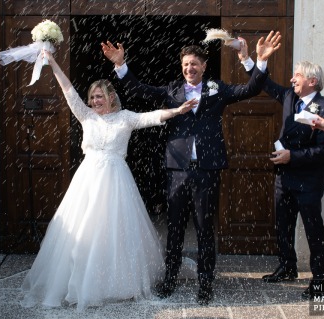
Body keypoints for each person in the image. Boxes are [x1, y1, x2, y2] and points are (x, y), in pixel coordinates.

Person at [101, 31, 282, 304]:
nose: (189, 68)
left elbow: (251, 89)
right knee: (174, 227)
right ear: (181, 66)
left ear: (204, 66)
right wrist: (120, 65)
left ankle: (205, 283)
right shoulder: (171, 90)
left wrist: (258, 62)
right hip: (178, 169)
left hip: (207, 170)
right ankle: (170, 279)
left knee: (204, 228)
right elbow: (139, 90)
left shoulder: (217, 89)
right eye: (185, 64)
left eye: (194, 64)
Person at [20, 50, 197, 312]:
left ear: (110, 97)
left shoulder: (125, 118)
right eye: (92, 97)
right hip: (88, 180)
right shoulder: (85, 115)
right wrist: (53, 63)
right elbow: (68, 90)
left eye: (99, 96)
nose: (94, 101)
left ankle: (114, 282)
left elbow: (151, 117)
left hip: (116, 181)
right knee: (82, 231)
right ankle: (79, 282)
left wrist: (177, 110)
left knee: (115, 231)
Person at [238, 41, 324, 299]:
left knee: (313, 231)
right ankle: (287, 266)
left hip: (308, 180)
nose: (292, 79)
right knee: (283, 225)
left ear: (312, 81)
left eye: (298, 75)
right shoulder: (290, 97)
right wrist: (251, 60)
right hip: (284, 178)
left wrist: (292, 156)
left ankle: (320, 280)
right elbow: (263, 83)